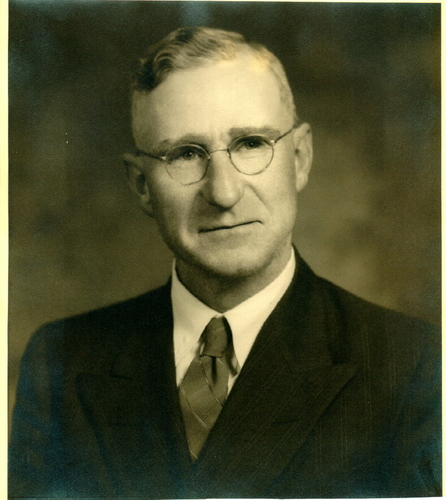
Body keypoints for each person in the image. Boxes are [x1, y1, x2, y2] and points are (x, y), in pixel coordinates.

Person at [9, 27, 441, 499]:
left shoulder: (411, 363)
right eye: (185, 154)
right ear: (142, 186)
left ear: (299, 158)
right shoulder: (61, 361)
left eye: (250, 144)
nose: (223, 192)